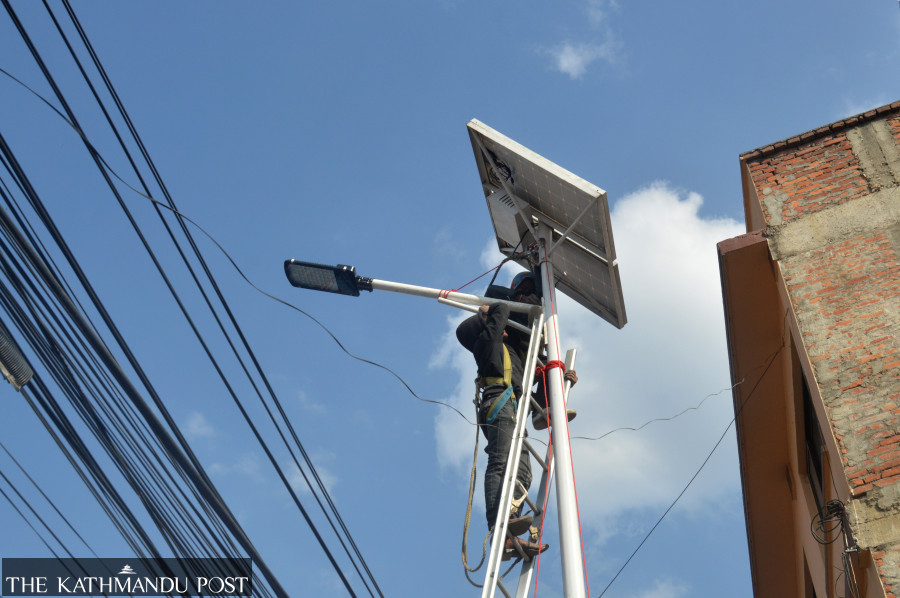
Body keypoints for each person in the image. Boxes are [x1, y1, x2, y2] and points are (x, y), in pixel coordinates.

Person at [456, 302, 548, 560]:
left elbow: (531, 370)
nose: (504, 330)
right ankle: (498, 525)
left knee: (523, 473)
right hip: (499, 401)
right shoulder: (486, 343)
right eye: (499, 326)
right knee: (499, 462)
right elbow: (501, 311)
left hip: (511, 406)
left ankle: (510, 526)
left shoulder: (507, 352)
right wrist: (492, 308)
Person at [506, 272, 578, 430]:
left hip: (527, 362)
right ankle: (539, 409)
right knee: (548, 368)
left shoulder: (537, 319)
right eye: (523, 288)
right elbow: (532, 301)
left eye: (530, 288)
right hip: (510, 365)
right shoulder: (508, 305)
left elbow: (538, 300)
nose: (526, 292)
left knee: (554, 367)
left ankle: (541, 411)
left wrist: (563, 380)